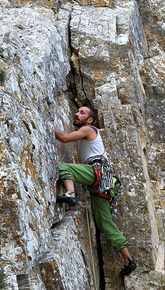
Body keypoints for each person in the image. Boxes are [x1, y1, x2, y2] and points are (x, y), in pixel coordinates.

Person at [55, 105, 136, 277]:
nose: (77, 114)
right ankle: (129, 260)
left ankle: (70, 195)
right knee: (105, 224)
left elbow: (63, 137)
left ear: (90, 120)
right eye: (77, 111)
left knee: (64, 168)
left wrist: (46, 126)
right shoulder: (85, 137)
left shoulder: (89, 129)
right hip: (104, 182)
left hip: (97, 173)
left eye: (82, 113)